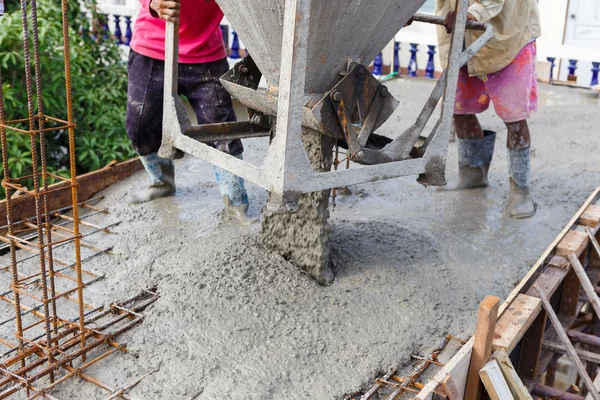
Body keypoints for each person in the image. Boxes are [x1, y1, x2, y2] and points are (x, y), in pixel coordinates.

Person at [126, 0, 255, 224]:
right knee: (140, 126)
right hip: (153, 46)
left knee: (222, 130)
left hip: (206, 51)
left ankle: (235, 199)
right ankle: (162, 182)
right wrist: (152, 2)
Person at [436, 0, 541, 219]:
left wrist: (471, 14)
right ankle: (473, 172)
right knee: (459, 107)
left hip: (508, 34)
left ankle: (520, 190)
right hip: (458, 33)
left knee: (514, 116)